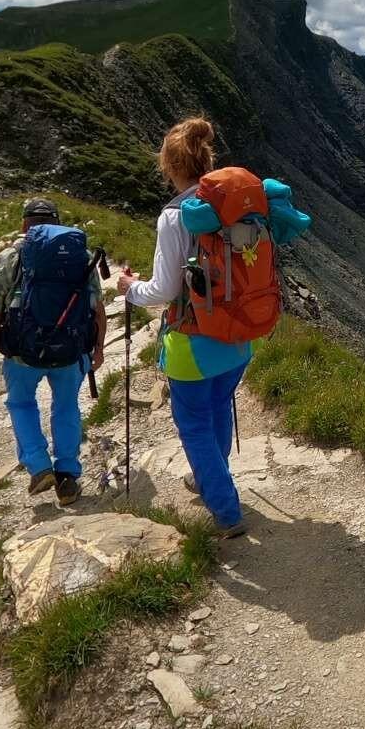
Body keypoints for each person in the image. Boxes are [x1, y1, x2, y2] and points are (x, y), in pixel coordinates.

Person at [117, 118, 256, 538]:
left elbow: (163, 290)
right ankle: (209, 477)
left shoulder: (174, 216)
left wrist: (129, 288)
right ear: (206, 159)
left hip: (192, 341)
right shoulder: (233, 204)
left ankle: (226, 510)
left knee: (193, 423)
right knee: (217, 407)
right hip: (238, 335)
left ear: (169, 166)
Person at [0, 198, 106, 506]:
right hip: (71, 350)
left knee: (21, 403)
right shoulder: (80, 256)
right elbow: (97, 308)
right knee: (66, 406)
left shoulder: (10, 257)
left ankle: (38, 466)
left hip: (23, 353)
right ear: (57, 224)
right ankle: (67, 476)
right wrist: (98, 349)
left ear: (25, 225)